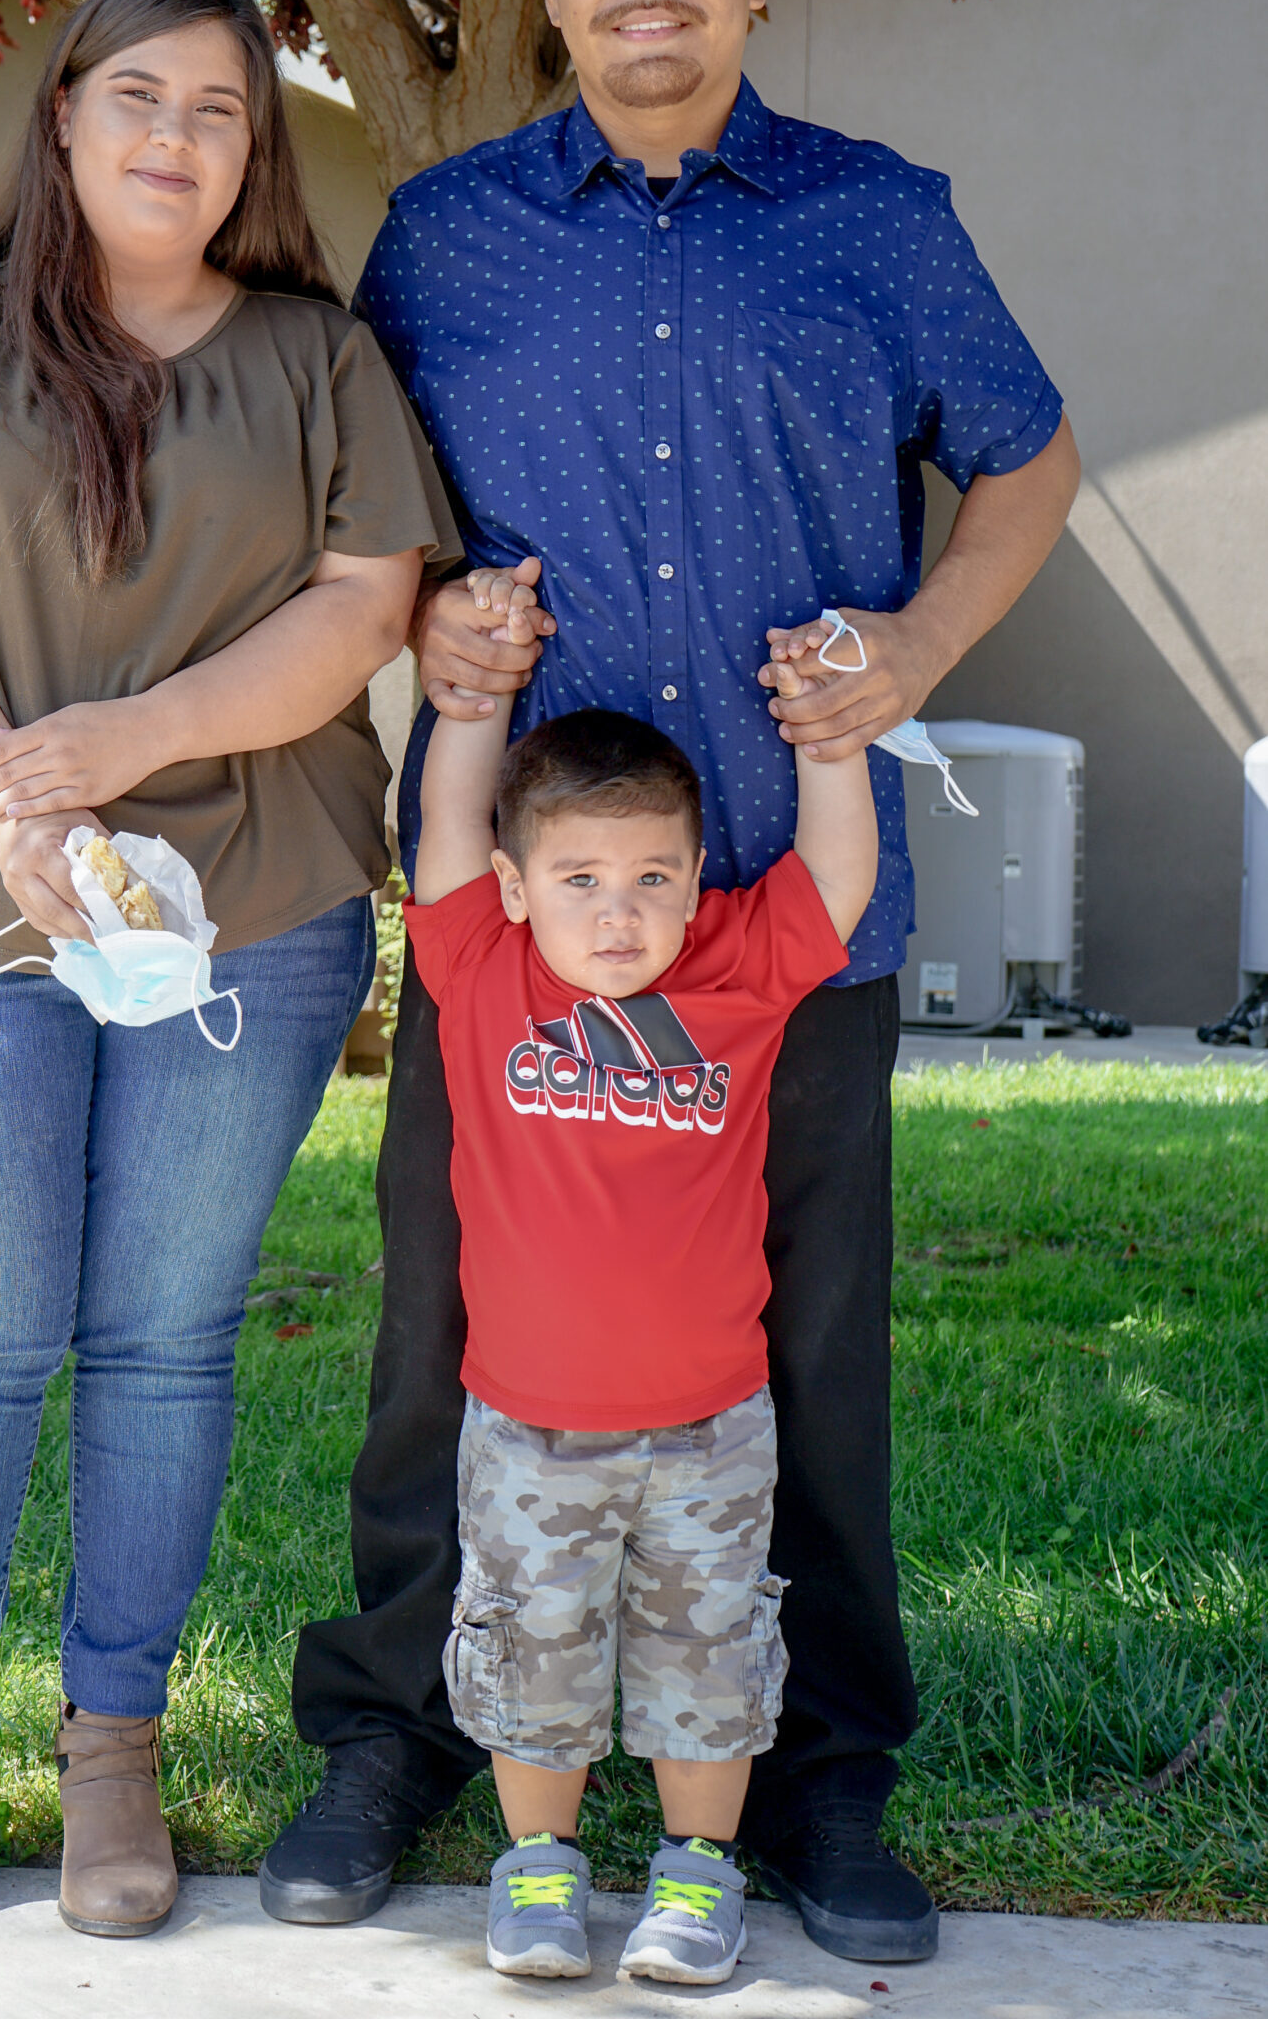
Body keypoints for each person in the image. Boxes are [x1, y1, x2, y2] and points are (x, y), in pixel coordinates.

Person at [269, 0, 1080, 1965]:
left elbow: (1025, 454)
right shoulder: (441, 238)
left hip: (789, 931)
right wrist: (423, 624)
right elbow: (370, 524)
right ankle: (395, 1733)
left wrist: (914, 641)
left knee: (802, 1356)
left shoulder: (876, 218)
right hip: (520, 940)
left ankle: (816, 1781)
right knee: (448, 1334)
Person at [0, 0, 458, 1941]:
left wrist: (132, 743)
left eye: (216, 108)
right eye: (133, 94)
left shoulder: (317, 356)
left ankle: (116, 1746)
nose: (170, 136)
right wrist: (20, 799)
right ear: (62, 113)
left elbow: (361, 610)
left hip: (250, 901)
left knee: (163, 1336)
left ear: (253, 148)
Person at [404, 593, 878, 1986]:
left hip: (710, 1425)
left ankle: (694, 1875)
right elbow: (447, 829)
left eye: (654, 878)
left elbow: (836, 875)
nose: (620, 917)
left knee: (709, 1653)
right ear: (516, 886)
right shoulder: (482, 966)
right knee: (532, 1647)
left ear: (696, 876)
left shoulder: (737, 967)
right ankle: (541, 1869)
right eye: (582, 881)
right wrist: (477, 704)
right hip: (530, 1424)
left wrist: (828, 734)